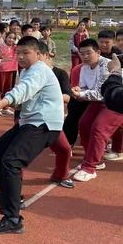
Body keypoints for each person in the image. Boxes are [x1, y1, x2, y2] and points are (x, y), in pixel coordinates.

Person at [0, 36, 63, 234]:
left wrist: (3, 102)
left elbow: (24, 90)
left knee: (11, 161)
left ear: (38, 54)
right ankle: (10, 196)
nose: (20, 57)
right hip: (30, 122)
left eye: (25, 53)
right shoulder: (28, 70)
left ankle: (12, 218)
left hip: (44, 124)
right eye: (18, 53)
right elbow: (24, 93)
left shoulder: (39, 70)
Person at [72, 39, 123, 181]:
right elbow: (84, 88)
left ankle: (89, 167)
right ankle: (97, 159)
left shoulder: (106, 65)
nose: (85, 56)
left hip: (116, 100)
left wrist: (80, 94)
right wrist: (79, 90)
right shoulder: (83, 67)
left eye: (89, 53)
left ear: (98, 52)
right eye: (82, 54)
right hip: (100, 101)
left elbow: (101, 92)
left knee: (99, 128)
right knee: (83, 124)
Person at [38, 42, 74, 188]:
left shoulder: (60, 74)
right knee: (19, 157)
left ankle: (60, 176)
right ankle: (13, 193)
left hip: (52, 120)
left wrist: (48, 95)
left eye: (38, 57)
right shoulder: (28, 73)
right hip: (32, 121)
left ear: (46, 55)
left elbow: (67, 97)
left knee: (64, 150)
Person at [0, 32, 17, 115]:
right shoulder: (0, 47)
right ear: (5, 38)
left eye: (13, 38)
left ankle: (5, 107)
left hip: (11, 70)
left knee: (8, 90)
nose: (11, 40)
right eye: (9, 37)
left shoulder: (15, 47)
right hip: (1, 70)